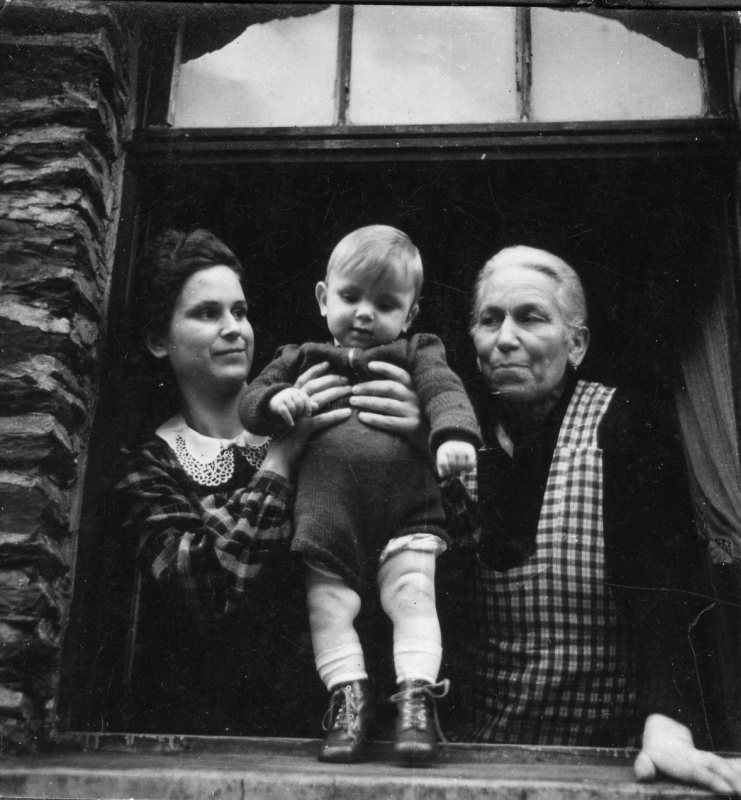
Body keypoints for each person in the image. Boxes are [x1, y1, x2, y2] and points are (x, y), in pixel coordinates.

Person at [441, 244, 741, 795]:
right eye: (490, 319)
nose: (505, 337)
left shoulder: (624, 425)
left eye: (530, 317)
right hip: (480, 759)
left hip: (607, 761)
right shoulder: (453, 437)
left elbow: (665, 592)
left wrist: (668, 721)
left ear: (576, 343)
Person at [112, 227, 423, 735]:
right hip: (223, 731)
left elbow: (435, 534)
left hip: (355, 731)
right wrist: (281, 456)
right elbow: (206, 592)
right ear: (157, 339)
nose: (234, 328)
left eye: (240, 310)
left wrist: (414, 437)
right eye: (207, 313)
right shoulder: (149, 465)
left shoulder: (325, 408)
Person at [240, 225, 481, 763]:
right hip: (328, 514)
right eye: (351, 297)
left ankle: (417, 701)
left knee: (413, 594)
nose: (365, 314)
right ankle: (347, 700)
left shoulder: (419, 350)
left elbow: (445, 391)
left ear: (410, 314)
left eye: (386, 303)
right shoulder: (300, 357)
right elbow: (252, 398)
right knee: (328, 605)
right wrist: (277, 402)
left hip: (407, 508)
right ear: (324, 298)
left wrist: (453, 436)